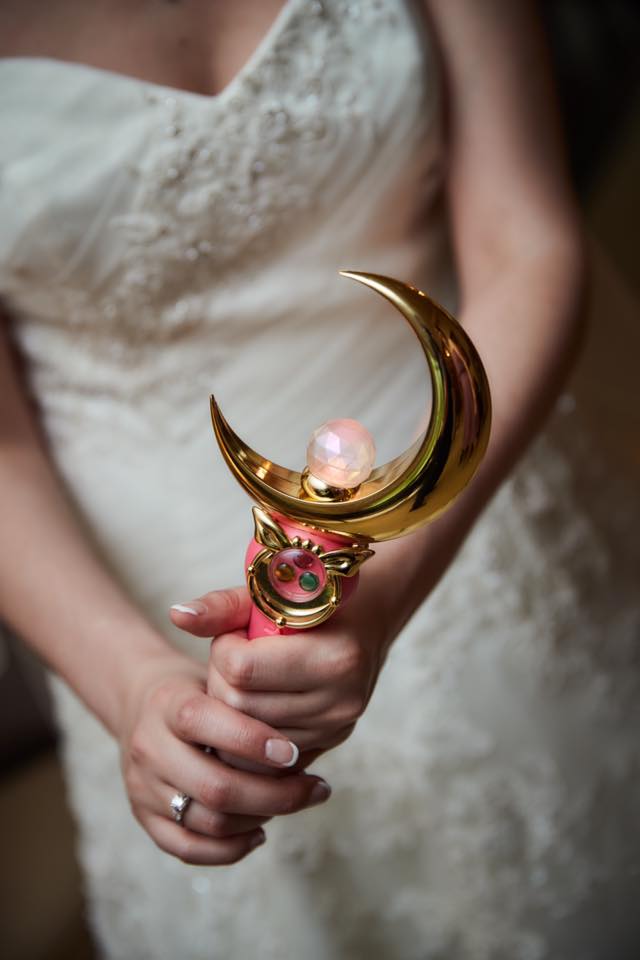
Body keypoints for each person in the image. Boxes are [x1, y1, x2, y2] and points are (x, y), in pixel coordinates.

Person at [1, 1, 638, 957]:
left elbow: (529, 241)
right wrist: (134, 692)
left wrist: (386, 578)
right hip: (143, 623)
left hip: (485, 508)